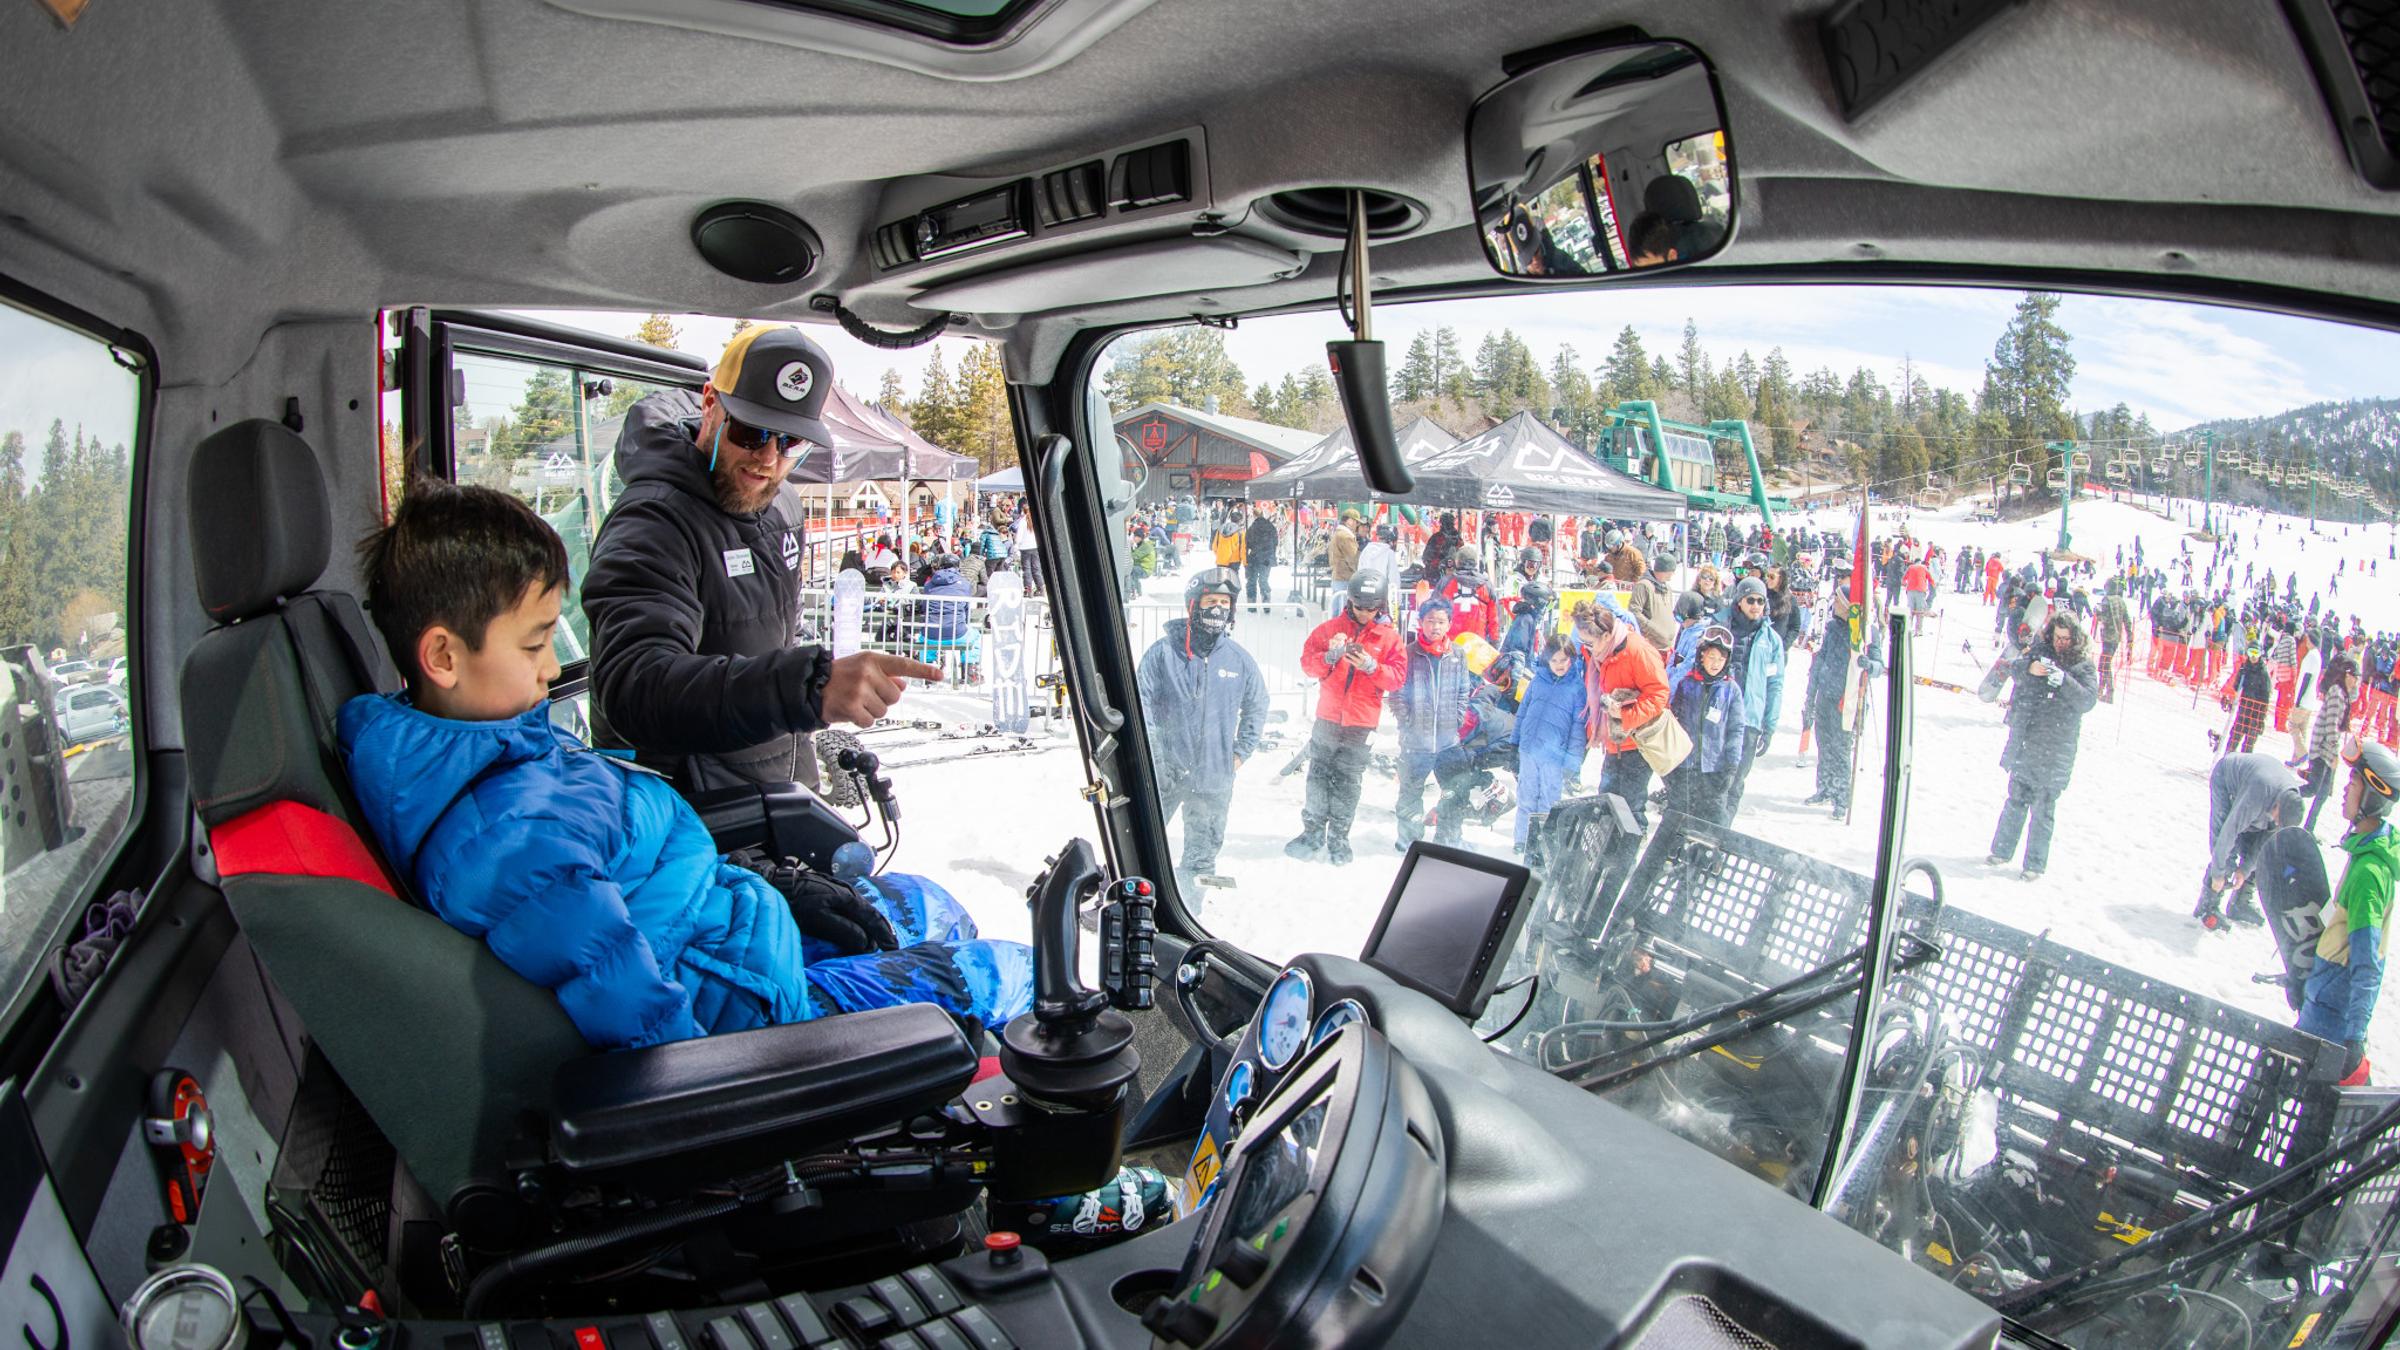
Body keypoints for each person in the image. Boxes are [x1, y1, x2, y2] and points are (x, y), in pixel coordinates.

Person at [341, 481, 1034, 1051]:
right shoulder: (508, 840)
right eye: (533, 646)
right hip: (752, 1013)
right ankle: (1061, 1197)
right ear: (442, 657)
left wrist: (767, 886)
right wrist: (740, 1081)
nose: (553, 668)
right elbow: (641, 1018)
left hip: (738, 933)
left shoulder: (501, 752)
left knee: (932, 904)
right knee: (1020, 977)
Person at [583, 326, 942, 797]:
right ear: (710, 403)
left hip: (773, 789)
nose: (768, 459)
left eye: (791, 442)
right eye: (751, 432)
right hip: (685, 813)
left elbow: (771, 641)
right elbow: (634, 686)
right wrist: (807, 688)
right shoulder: (654, 521)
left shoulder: (784, 506)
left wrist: (802, 779)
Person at [1136, 569, 1268, 897]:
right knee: (1139, 843)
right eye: (1211, 601)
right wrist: (1155, 755)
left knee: (1201, 858)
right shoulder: (1163, 654)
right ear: (1193, 605)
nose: (1218, 609)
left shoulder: (1239, 660)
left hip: (1214, 778)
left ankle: (1189, 911)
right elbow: (1142, 704)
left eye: (1225, 602)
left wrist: (1239, 753)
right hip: (1165, 774)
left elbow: (1257, 705)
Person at [2295, 739, 2399, 1085]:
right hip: (2322, 1006)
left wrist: (2354, 1038)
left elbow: (2367, 963)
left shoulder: (2369, 874)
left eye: (2353, 782)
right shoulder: (2362, 855)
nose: (2344, 790)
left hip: (2331, 1024)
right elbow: (2336, 935)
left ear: (2373, 796)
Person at [1287, 570, 1407, 865]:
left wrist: (1371, 666)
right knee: (1318, 776)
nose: (1365, 614)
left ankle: (1339, 836)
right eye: (1359, 607)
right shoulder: (1330, 629)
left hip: (1361, 723)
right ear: (1350, 601)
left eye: (1371, 608)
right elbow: (1307, 665)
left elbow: (1397, 679)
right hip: (1328, 717)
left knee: (1348, 781)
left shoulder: (1389, 638)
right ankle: (1312, 831)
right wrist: (1330, 656)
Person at [1985, 615, 2100, 880]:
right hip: (2028, 740)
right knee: (2015, 800)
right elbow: (2013, 668)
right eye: (2057, 637)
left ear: (2075, 638)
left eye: (2065, 639)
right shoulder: (2040, 651)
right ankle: (2001, 851)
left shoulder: (2082, 665)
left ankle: (2034, 865)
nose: (2060, 643)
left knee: (2043, 809)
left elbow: (2088, 700)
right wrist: (2030, 669)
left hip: (2057, 746)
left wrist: (2063, 680)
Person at [1575, 596, 1671, 830]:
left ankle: (1627, 856)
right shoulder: (1602, 653)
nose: (1585, 648)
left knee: (1630, 806)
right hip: (1614, 742)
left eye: (1588, 643)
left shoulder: (1638, 651)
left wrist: (1626, 717)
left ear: (1606, 636)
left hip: (1637, 743)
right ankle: (1606, 853)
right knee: (1607, 801)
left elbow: (1659, 694)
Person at [1393, 597, 1472, 850]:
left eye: (1440, 621)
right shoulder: (1410, 653)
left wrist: (1457, 718)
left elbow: (1464, 691)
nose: (1435, 627)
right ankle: (1409, 840)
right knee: (1410, 794)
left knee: (1455, 792)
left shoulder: (1457, 654)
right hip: (1417, 743)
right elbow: (1397, 692)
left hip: (1449, 742)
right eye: (1430, 621)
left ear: (1449, 624)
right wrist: (1408, 722)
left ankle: (1449, 839)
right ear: (1421, 623)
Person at [1803, 564, 1880, 817]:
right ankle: (1824, 787)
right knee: (1824, 745)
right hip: (1826, 695)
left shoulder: (1867, 633)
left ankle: (1841, 798)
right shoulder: (1833, 628)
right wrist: (1813, 685)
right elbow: (1823, 658)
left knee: (1841, 750)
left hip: (1848, 700)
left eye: (1837, 600)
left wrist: (1870, 665)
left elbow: (1879, 666)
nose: (1833, 603)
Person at [2196, 752, 2305, 930]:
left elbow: (2264, 843)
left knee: (2261, 854)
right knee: (2227, 854)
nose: (2278, 823)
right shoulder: (2258, 794)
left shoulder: (2290, 801)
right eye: (2278, 819)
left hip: (2260, 792)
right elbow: (2227, 832)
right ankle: (2207, 906)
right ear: (2277, 805)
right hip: (2227, 778)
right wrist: (2218, 873)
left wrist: (2245, 870)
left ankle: (2240, 903)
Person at [1513, 634, 1587, 862]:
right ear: (1547, 661)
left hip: (1554, 756)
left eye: (1564, 660)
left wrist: (1573, 762)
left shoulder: (1577, 688)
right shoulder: (1537, 680)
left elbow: (1578, 728)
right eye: (1554, 660)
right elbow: (1523, 711)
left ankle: (1540, 841)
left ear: (1572, 659)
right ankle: (1522, 839)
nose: (1559, 665)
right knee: (1526, 795)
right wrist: (1514, 742)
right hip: (1529, 748)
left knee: (1548, 800)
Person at [1663, 624, 1746, 826]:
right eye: (1711, 657)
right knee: (1680, 819)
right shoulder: (1687, 685)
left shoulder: (1731, 690)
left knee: (1713, 822)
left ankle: (1709, 856)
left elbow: (1736, 730)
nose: (1715, 663)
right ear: (1701, 656)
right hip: (1686, 767)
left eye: (1721, 659)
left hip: (1714, 770)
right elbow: (1675, 723)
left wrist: (1731, 767)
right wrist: (1671, 765)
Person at [2221, 644, 2273, 755]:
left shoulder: (2263, 673)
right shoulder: (2245, 668)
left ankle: (2243, 764)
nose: (2253, 656)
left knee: (2249, 742)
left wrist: (2261, 719)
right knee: (2235, 735)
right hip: (2244, 708)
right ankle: (2228, 758)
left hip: (2256, 713)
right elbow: (2236, 686)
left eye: (2256, 653)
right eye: (2251, 653)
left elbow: (2266, 696)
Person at [2097, 577, 2133, 703]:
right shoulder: (2121, 601)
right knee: (2105, 663)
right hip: (2116, 638)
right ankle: (2101, 690)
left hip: (2108, 636)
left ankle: (2108, 691)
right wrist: (2130, 637)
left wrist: (2098, 613)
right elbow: (2127, 621)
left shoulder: (2106, 600)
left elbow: (2105, 619)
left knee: (2104, 664)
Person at [1243, 503, 1281, 611]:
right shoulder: (1271, 527)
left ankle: (1251, 606)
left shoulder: (1251, 528)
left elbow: (1247, 543)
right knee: (1264, 580)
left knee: (1252, 581)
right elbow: (1275, 542)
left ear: (1254, 516)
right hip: (1267, 559)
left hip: (1254, 558)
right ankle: (1266, 604)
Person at [1212, 505, 1248, 595]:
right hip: (1234, 560)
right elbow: (1243, 549)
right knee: (1233, 582)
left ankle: (1222, 599)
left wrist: (1220, 554)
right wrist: (1245, 563)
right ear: (1240, 521)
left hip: (1221, 559)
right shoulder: (1240, 532)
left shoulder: (1220, 530)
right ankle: (1232, 600)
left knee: (1221, 582)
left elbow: (1214, 546)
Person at [1329, 508, 1363, 586]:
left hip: (1338, 578)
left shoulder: (1338, 533)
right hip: (1345, 579)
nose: (1357, 525)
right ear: (1349, 521)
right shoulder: (1346, 537)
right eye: (1356, 522)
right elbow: (1353, 559)